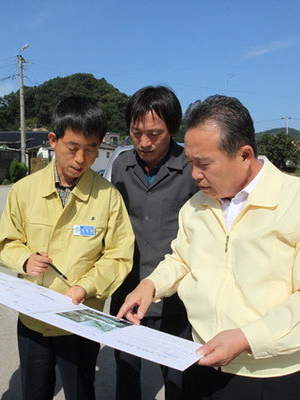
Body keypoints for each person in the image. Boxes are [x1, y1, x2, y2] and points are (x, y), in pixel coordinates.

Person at [117, 95, 300, 399]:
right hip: (201, 360)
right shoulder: (197, 206)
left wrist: (248, 338)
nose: (194, 175)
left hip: (273, 373)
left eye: (203, 164)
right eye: (190, 163)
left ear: (244, 155)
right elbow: (181, 260)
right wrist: (150, 285)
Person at [0, 95, 134, 400]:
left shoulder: (108, 197)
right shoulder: (24, 190)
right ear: (53, 140)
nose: (81, 159)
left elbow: (119, 255)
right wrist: (24, 259)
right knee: (34, 391)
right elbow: (6, 242)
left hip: (80, 319)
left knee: (81, 391)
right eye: (73, 148)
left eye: (91, 149)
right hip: (34, 317)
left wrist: (87, 285)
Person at [108, 86, 199, 400]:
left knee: (179, 382)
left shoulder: (192, 169)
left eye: (155, 134)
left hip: (176, 299)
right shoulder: (120, 166)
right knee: (126, 375)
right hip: (127, 292)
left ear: (173, 129)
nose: (144, 142)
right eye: (136, 133)